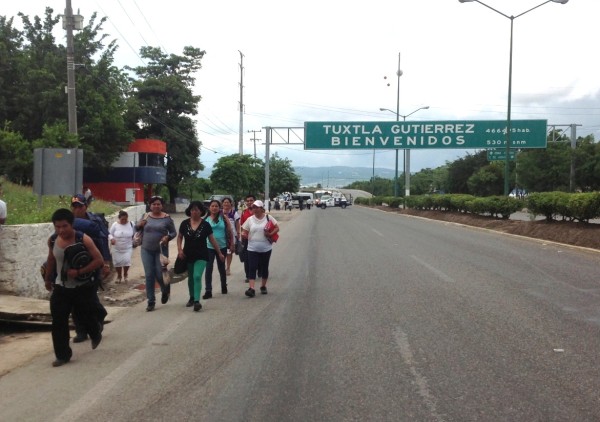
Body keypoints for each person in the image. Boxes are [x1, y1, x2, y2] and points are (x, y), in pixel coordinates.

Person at [44, 208, 104, 367]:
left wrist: (79, 271)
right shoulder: (52, 240)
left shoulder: (84, 239)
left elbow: (99, 261)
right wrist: (48, 278)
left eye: (64, 226)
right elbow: (51, 259)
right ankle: (62, 355)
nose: (61, 230)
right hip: (61, 287)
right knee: (58, 321)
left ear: (72, 225)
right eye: (57, 227)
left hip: (81, 287)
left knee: (85, 315)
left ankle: (95, 332)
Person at [70, 193, 110, 343]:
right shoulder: (68, 222)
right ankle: (81, 331)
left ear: (86, 206)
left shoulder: (95, 221)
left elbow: (103, 240)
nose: (76, 210)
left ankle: (99, 315)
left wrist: (105, 263)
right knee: (74, 298)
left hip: (93, 262)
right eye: (74, 207)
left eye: (79, 206)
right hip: (73, 263)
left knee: (90, 296)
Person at [176, 201, 223, 311]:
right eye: (192, 210)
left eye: (197, 210)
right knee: (191, 277)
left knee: (197, 276)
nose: (194, 212)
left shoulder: (206, 225)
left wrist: (219, 253)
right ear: (189, 211)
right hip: (187, 254)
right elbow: (179, 237)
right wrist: (179, 250)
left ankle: (197, 301)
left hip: (202, 255)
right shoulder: (184, 223)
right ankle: (191, 297)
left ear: (201, 211)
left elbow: (212, 239)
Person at [137, 195, 176, 312]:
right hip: (146, 249)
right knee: (149, 275)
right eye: (154, 204)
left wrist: (167, 237)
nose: (156, 206)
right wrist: (139, 225)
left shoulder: (167, 218)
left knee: (160, 274)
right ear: (150, 205)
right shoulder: (145, 216)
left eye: (158, 204)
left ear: (162, 205)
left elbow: (173, 232)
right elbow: (136, 229)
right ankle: (151, 301)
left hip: (161, 251)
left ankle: (165, 290)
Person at [241, 200, 279, 297]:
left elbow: (277, 228)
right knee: (252, 267)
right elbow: (244, 230)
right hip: (252, 248)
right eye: (254, 207)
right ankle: (252, 288)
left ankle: (263, 286)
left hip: (266, 248)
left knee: (264, 267)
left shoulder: (268, 217)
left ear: (262, 208)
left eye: (257, 207)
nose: (255, 209)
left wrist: (270, 234)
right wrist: (244, 234)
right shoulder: (250, 219)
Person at [203, 200, 234, 299]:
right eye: (212, 206)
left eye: (216, 206)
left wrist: (232, 243)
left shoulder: (223, 218)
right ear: (209, 208)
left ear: (219, 208)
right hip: (209, 247)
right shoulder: (206, 220)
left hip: (222, 246)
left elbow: (230, 231)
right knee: (208, 268)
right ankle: (208, 290)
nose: (214, 208)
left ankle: (223, 286)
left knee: (221, 268)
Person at [109, 210, 134, 283]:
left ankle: (125, 274)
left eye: (125, 219)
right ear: (119, 218)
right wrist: (112, 239)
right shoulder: (115, 225)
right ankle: (119, 275)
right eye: (122, 219)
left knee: (127, 261)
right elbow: (109, 233)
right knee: (117, 262)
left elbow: (136, 232)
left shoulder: (131, 224)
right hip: (116, 247)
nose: (124, 221)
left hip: (128, 247)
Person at [222, 197, 240, 276]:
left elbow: (237, 224)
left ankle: (228, 267)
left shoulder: (234, 213)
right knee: (222, 252)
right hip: (221, 236)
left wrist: (238, 233)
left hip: (231, 236)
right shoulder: (219, 213)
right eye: (224, 202)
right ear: (222, 204)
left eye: (227, 202)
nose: (226, 204)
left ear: (230, 204)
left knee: (229, 252)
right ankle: (222, 267)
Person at [239, 194, 256, 283]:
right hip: (247, 238)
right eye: (248, 201)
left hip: (257, 238)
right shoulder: (244, 212)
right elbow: (242, 226)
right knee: (247, 258)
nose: (249, 202)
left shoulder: (259, 211)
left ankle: (258, 270)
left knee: (257, 257)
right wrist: (242, 236)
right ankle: (248, 275)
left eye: (251, 200)